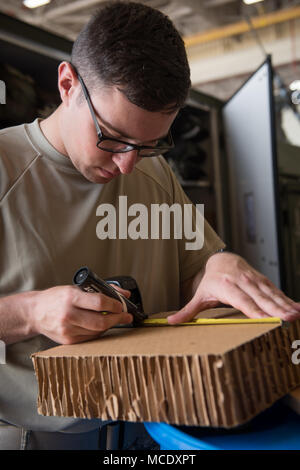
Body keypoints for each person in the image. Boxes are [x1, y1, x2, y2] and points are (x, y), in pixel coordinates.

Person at [0, 1, 299, 450]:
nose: (127, 165)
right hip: (41, 437)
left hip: (158, 429)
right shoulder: (5, 167)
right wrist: (27, 313)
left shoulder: (154, 174)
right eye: (113, 138)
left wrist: (215, 267)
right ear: (67, 85)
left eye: (150, 144)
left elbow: (195, 266)